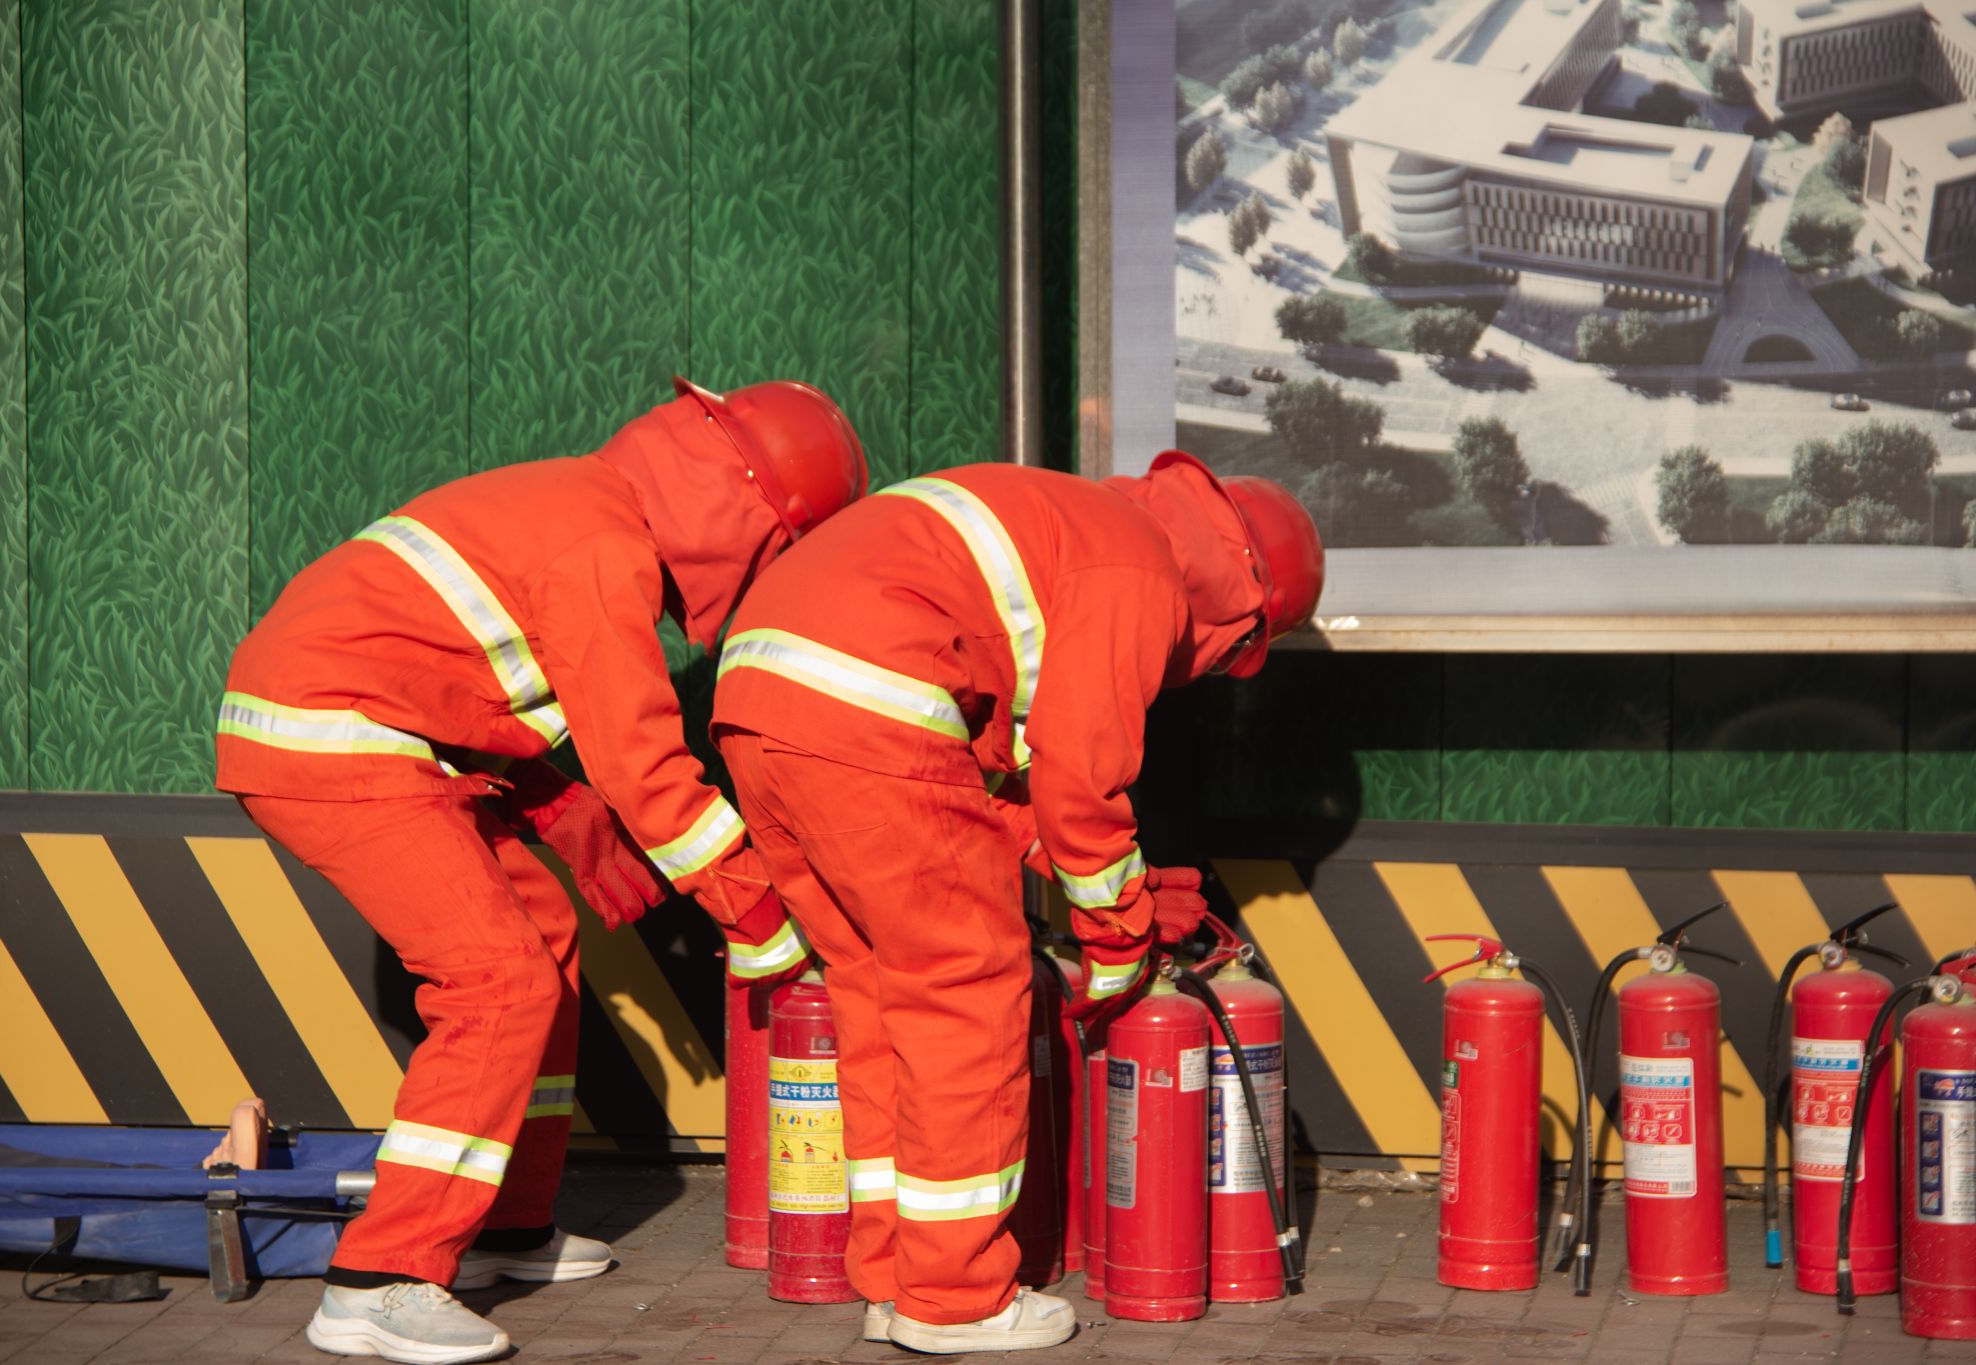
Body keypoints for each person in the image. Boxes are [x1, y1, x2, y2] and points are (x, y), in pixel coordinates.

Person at [216, 378, 865, 1365]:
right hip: (336, 740)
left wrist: (556, 803)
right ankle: (381, 1279)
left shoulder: (583, 506)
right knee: (499, 981)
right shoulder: (600, 546)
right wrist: (765, 925)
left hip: (365, 729)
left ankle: (501, 1225)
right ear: (745, 517)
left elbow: (451, 667)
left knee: (545, 939)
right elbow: (648, 770)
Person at [709, 452, 1324, 1353]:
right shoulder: (1140, 567)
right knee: (969, 989)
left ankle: (895, 1277)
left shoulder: (1073, 529)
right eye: (1231, 656)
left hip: (761, 700)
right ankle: (955, 1299)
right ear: (1241, 613)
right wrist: (1121, 936)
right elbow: (1080, 777)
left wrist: (1117, 885)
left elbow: (975, 794)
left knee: (877, 993)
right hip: (872, 699)